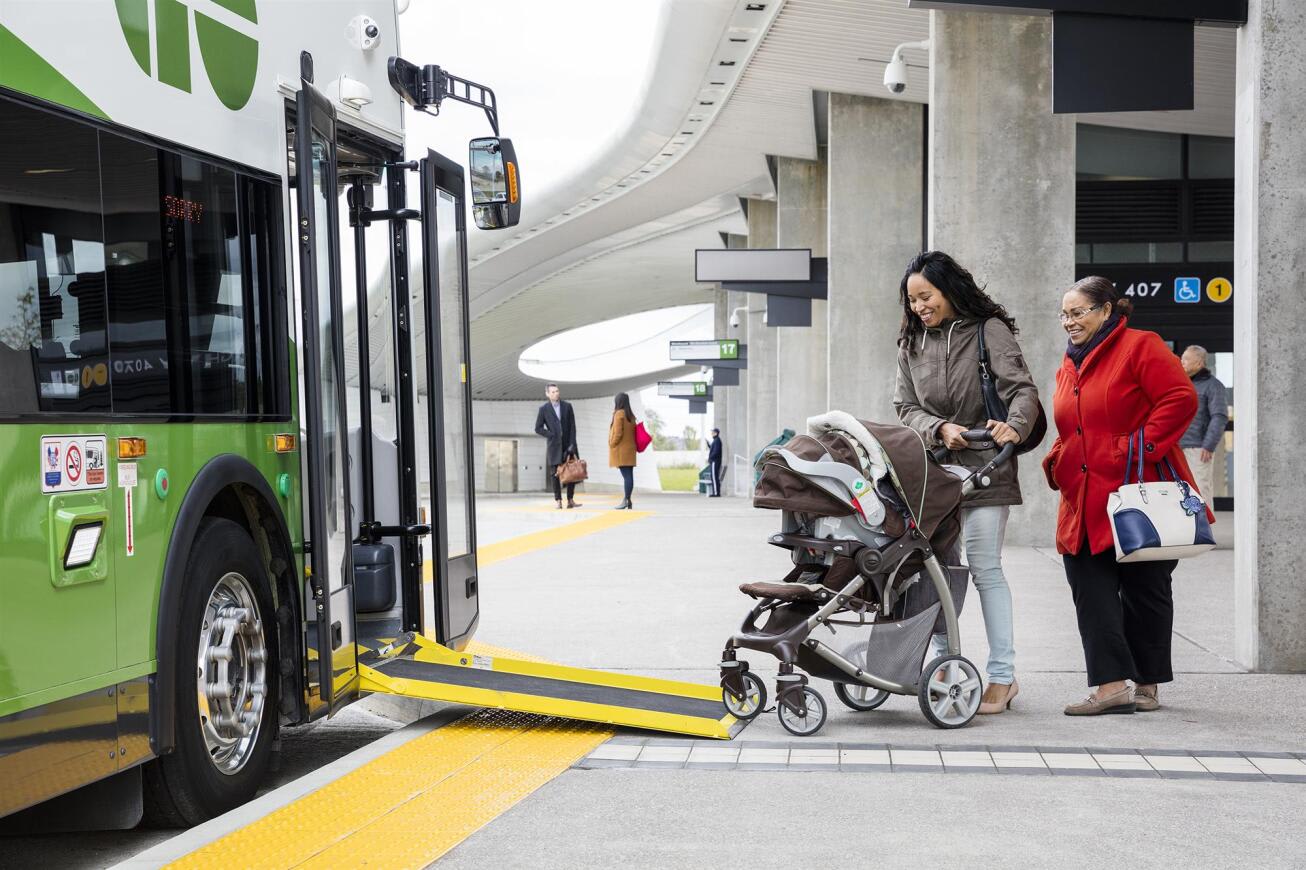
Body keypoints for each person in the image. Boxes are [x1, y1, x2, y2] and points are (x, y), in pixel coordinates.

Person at [1042, 276, 1208, 716]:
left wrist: (1135, 447)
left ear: (1106, 310)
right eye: (1064, 313)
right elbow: (1071, 420)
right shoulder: (1070, 360)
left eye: (1078, 312)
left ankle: (1147, 682)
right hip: (1083, 494)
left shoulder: (1141, 345)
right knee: (1089, 584)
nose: (1069, 321)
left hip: (1139, 489)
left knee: (1146, 587)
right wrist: (1057, 457)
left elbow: (1179, 398)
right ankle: (1112, 684)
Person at [893, 250, 1040, 716]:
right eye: (913, 300)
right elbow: (904, 407)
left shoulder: (987, 331)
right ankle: (942, 664)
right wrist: (938, 428)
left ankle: (1002, 676)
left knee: (983, 567)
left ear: (948, 290)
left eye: (926, 296)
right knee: (935, 570)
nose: (919, 307)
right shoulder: (911, 344)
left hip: (986, 467)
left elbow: (1022, 389)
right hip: (935, 474)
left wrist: (1013, 426)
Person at [1179, 345, 1228, 502]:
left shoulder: (1214, 386)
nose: (1182, 362)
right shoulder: (1181, 383)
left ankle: (1204, 526)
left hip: (1199, 449)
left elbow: (1219, 416)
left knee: (1200, 490)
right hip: (1176, 448)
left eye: (1186, 359)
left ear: (1199, 363)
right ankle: (1186, 527)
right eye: (1182, 358)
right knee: (1179, 492)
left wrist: (1208, 445)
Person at [534, 383, 581, 509]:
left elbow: (572, 427)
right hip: (554, 446)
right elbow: (538, 428)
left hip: (568, 445)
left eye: (557, 391)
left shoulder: (567, 406)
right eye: (553, 392)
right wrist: (551, 435)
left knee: (572, 472)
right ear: (547, 394)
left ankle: (570, 500)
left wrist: (572, 444)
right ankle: (558, 501)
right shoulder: (543, 409)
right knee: (554, 474)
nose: (556, 393)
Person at [608, 392, 637, 510]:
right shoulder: (631, 415)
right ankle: (628, 500)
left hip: (621, 451)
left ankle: (626, 500)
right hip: (630, 450)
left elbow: (618, 433)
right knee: (629, 476)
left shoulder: (619, 413)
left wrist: (612, 443)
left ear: (618, 402)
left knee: (626, 477)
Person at [706, 427, 724, 497]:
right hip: (714, 461)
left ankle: (716, 493)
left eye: (713, 432)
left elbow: (716, 452)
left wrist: (710, 458)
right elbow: (713, 449)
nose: (711, 433)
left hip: (715, 462)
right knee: (714, 476)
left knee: (714, 477)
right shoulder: (716, 441)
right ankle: (716, 492)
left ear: (716, 433)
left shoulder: (717, 441)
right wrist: (709, 445)